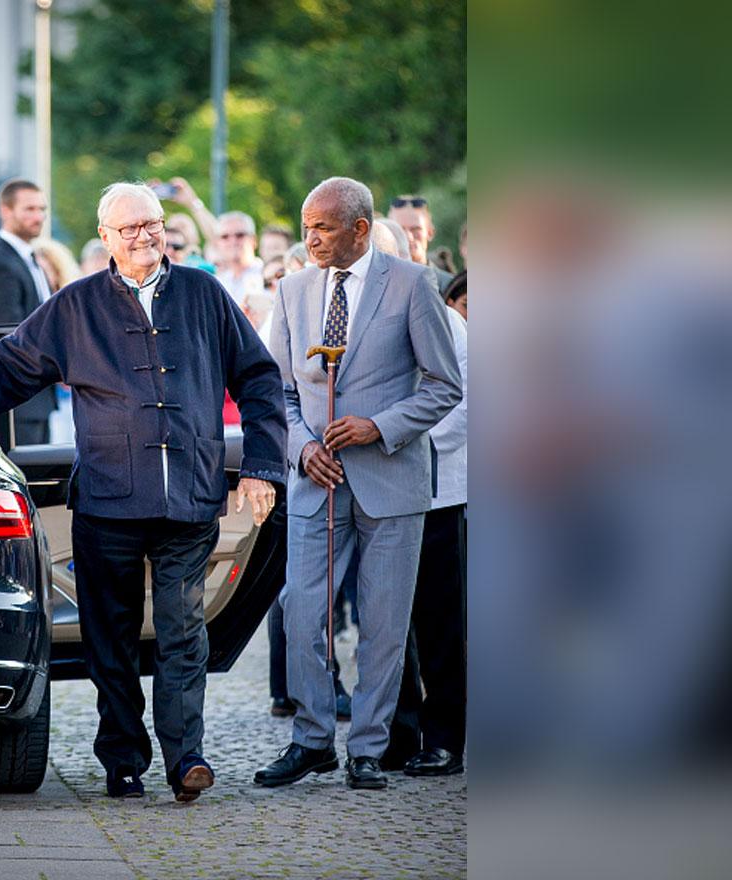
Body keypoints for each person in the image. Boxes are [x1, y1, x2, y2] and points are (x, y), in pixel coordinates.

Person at [0, 182, 286, 804]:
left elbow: (259, 380)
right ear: (105, 237)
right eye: (130, 227)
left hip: (190, 498)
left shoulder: (203, 292)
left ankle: (186, 757)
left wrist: (262, 466)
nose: (144, 236)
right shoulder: (76, 305)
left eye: (152, 224)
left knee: (183, 631)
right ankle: (123, 761)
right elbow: (11, 365)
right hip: (108, 503)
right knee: (108, 639)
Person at [255, 176, 461, 791]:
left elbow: (445, 385)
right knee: (301, 612)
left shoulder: (412, 285)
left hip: (392, 481)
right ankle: (312, 739)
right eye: (306, 226)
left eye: (322, 227)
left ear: (360, 229)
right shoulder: (292, 291)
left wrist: (380, 426)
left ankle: (369, 748)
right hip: (317, 482)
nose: (310, 238)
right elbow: (276, 393)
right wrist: (301, 449)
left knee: (383, 622)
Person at [383, 268, 468, 777]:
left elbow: (465, 404)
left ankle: (444, 738)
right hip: (379, 492)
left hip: (438, 491)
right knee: (386, 622)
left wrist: (400, 445)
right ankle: (396, 732)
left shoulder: (451, 324)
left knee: (439, 624)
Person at [0, 178, 57, 446]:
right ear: (6, 211)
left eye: (42, 209)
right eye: (29, 209)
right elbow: (11, 337)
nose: (39, 216)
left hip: (37, 399)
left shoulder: (29, 260)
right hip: (16, 404)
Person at [211, 211, 264, 308]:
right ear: (217, 243)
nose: (233, 241)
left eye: (239, 235)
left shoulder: (268, 275)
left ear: (254, 240)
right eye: (225, 237)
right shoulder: (216, 282)